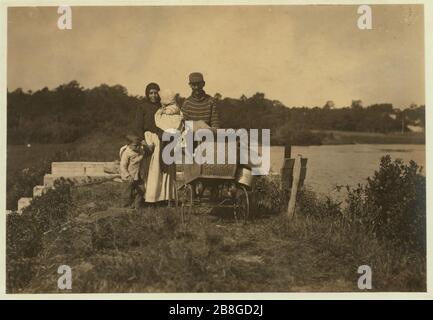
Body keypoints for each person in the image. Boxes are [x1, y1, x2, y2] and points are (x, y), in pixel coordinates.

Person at [135, 83, 176, 205]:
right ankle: (151, 198)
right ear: (147, 94)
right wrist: (142, 140)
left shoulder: (164, 107)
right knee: (152, 169)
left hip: (163, 138)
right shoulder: (142, 107)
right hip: (149, 139)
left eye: (155, 92)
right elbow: (138, 126)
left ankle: (164, 197)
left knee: (165, 168)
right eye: (150, 93)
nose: (153, 95)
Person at [119, 135, 145, 209]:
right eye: (135, 146)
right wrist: (128, 176)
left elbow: (145, 152)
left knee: (141, 190)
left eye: (139, 145)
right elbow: (123, 166)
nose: (138, 147)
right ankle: (125, 207)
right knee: (127, 192)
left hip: (138, 175)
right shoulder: (127, 153)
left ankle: (137, 206)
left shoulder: (140, 150)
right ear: (129, 145)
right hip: (129, 176)